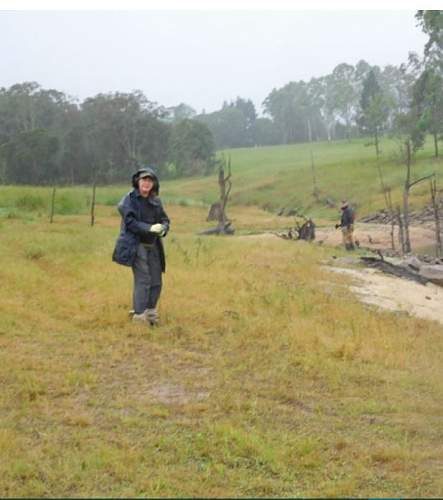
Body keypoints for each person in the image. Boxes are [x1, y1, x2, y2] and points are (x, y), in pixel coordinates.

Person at [112, 167, 170, 325]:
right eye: (144, 180)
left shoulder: (156, 201)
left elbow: (165, 219)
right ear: (137, 181)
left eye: (150, 180)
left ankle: (150, 313)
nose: (146, 183)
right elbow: (130, 222)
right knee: (143, 279)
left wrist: (163, 228)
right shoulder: (128, 200)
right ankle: (139, 316)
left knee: (156, 280)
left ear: (153, 184)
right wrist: (149, 228)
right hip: (135, 244)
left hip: (153, 244)